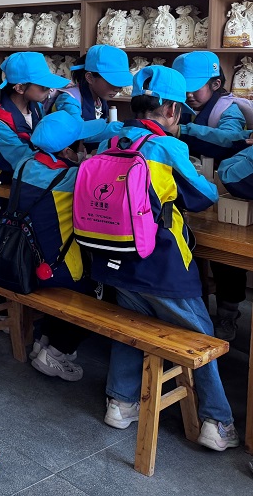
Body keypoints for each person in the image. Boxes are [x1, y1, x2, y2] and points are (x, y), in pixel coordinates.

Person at [92, 67, 237, 451]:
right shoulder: (167, 148)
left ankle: (120, 403)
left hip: (115, 260)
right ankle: (216, 422)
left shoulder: (111, 140)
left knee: (132, 324)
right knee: (202, 336)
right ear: (172, 110)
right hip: (161, 266)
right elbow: (203, 196)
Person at [13, 113, 105, 382]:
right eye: (82, 145)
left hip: (23, 259)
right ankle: (56, 352)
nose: (85, 149)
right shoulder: (72, 177)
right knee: (100, 296)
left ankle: (43, 340)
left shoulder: (23, 164)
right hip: (56, 268)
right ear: (67, 152)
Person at [172, 51, 253, 341]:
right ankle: (196, 310)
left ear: (216, 84)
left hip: (224, 197)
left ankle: (228, 314)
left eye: (195, 87)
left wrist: (182, 129)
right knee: (188, 251)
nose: (189, 94)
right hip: (192, 194)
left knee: (226, 260)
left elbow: (228, 139)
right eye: (183, 88)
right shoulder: (181, 106)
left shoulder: (227, 110)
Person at [0, 52, 71, 233]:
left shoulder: (37, 108)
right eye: (43, 86)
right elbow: (24, 163)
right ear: (19, 88)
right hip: (0, 200)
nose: (49, 90)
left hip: (26, 185)